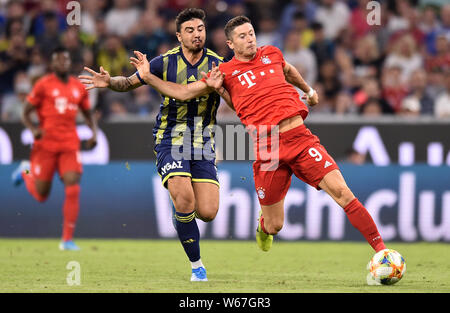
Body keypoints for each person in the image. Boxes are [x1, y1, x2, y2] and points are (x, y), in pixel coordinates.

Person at [131, 16, 387, 257]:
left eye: (251, 33)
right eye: (242, 36)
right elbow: (186, 93)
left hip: (300, 138)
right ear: (230, 43)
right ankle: (264, 226)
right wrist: (150, 78)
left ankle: (383, 252)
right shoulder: (223, 72)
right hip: (268, 149)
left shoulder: (272, 54)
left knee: (342, 192)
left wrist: (308, 90)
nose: (250, 39)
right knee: (275, 225)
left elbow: (288, 70)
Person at [79, 8, 225, 282]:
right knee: (184, 199)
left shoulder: (219, 65)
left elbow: (222, 96)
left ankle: (181, 214)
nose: (197, 34)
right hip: (170, 138)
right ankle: (197, 267)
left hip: (203, 142)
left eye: (201, 29)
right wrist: (110, 82)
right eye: (190, 30)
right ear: (179, 35)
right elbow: (128, 83)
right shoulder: (164, 62)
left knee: (207, 212)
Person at [11, 46, 98, 251]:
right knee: (42, 195)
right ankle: (25, 170)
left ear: (69, 63)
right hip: (46, 145)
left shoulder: (78, 87)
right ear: (52, 64)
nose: (62, 63)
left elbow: (87, 113)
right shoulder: (43, 85)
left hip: (69, 143)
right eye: (58, 60)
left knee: (73, 186)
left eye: (65, 60)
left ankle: (67, 239)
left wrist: (93, 133)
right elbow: (25, 112)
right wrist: (33, 129)